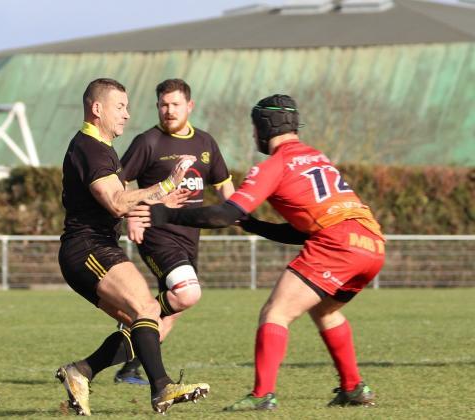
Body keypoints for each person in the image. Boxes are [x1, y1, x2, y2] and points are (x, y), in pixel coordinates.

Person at [143, 94, 384, 411]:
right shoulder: (318, 158)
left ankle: (261, 396)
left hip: (337, 243)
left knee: (275, 313)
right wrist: (256, 226)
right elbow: (303, 230)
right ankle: (353, 388)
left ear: (263, 128)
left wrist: (166, 215)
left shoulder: (275, 164)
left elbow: (222, 215)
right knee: (324, 311)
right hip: (372, 242)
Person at [55, 77, 210, 416]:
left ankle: (82, 371)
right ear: (97, 109)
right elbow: (115, 201)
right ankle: (162, 388)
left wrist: (158, 199)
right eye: (120, 107)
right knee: (145, 307)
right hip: (88, 249)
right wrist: (164, 185)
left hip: (95, 246)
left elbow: (122, 200)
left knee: (145, 319)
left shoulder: (100, 148)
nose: (127, 114)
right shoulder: (91, 149)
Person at [114, 78, 235, 385]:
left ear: (189, 106)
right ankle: (123, 361)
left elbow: (223, 186)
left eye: (175, 105)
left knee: (174, 306)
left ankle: (131, 360)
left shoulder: (206, 143)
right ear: (157, 106)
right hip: (156, 234)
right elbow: (119, 183)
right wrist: (131, 215)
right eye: (163, 105)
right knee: (184, 292)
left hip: (189, 238)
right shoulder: (148, 142)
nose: (168, 111)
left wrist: (238, 213)